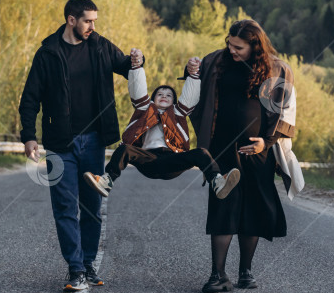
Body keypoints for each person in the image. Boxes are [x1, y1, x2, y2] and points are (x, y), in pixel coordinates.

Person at [19, 0, 143, 292]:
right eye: (87, 20)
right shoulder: (48, 53)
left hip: (94, 140)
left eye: (94, 21)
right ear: (71, 20)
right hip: (60, 144)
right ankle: (75, 269)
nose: (92, 26)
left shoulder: (100, 46)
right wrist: (28, 136)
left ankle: (88, 264)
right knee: (64, 208)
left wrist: (137, 61)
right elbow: (30, 99)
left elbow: (126, 67)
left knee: (91, 206)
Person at [188, 19, 300, 293]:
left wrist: (267, 142)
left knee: (252, 210)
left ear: (255, 45)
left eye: (238, 47)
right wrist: (190, 69)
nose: (232, 50)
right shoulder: (216, 62)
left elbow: (285, 111)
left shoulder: (276, 68)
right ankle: (217, 275)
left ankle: (245, 272)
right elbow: (195, 90)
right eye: (229, 44)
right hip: (221, 149)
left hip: (258, 152)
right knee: (223, 206)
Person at [83, 56, 240, 198]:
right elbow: (138, 91)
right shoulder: (145, 109)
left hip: (173, 159)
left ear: (174, 101)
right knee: (124, 149)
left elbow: (190, 97)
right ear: (152, 99)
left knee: (201, 153)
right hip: (148, 159)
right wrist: (137, 66)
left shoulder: (178, 113)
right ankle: (107, 181)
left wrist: (193, 75)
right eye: (160, 94)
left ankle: (217, 182)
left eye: (168, 95)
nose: (164, 96)